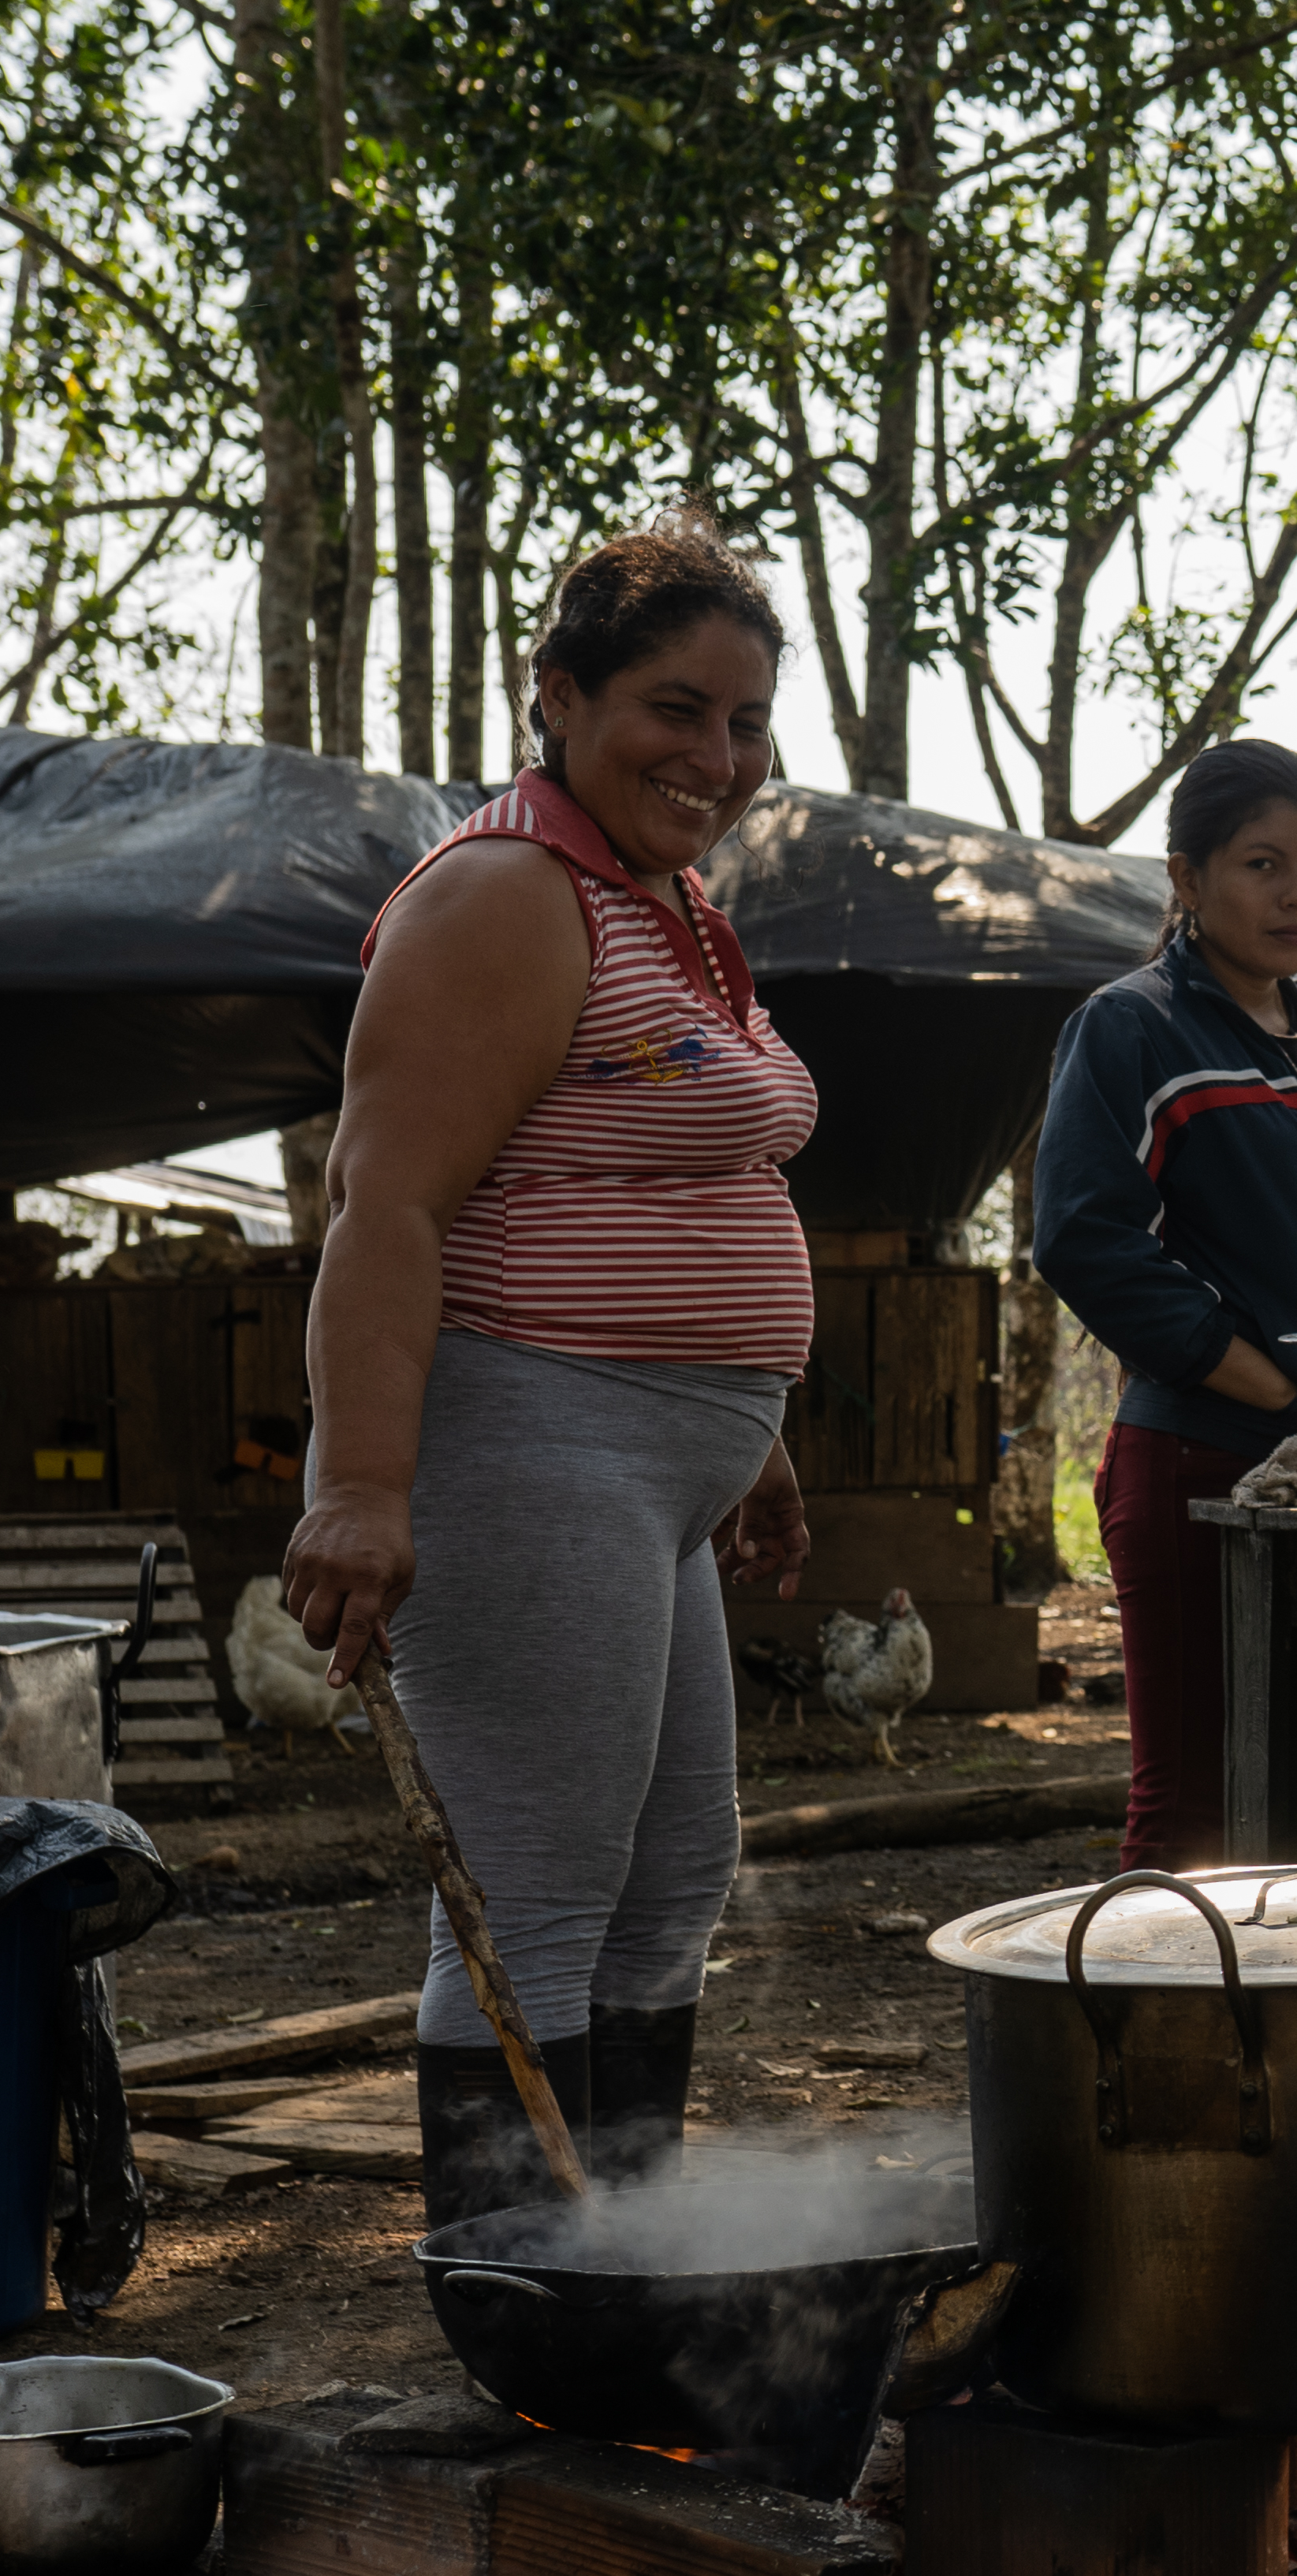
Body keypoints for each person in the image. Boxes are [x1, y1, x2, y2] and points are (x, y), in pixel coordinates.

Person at [279, 510, 818, 2226]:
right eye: (675, 708)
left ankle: (635, 2268)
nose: (716, 756)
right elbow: (387, 1208)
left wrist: (759, 1437)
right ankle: (519, 2288)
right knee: (535, 1898)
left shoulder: (662, 902)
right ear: (561, 694)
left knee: (673, 1882)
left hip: (662, 1465)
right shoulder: (505, 894)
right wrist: (359, 1485)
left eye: (743, 723)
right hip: (534, 1440)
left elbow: (682, 1176)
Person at [1034, 742, 1297, 1869]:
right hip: (1206, 1466)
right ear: (1188, 877)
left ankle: (1273, 2043)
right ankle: (1152, 2042)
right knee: (1196, 1808)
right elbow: (1085, 1241)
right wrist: (1262, 1379)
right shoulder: (1135, 1026)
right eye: (1263, 864)